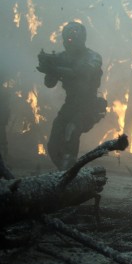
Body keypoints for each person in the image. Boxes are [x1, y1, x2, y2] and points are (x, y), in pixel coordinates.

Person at [36, 21, 106, 170]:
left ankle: (69, 173)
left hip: (88, 105)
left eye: (73, 38)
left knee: (71, 132)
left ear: (81, 39)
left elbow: (83, 72)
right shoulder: (62, 57)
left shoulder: (93, 57)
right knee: (53, 144)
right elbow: (49, 83)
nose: (70, 42)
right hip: (70, 104)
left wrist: (57, 68)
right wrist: (49, 68)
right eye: (67, 38)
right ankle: (67, 172)